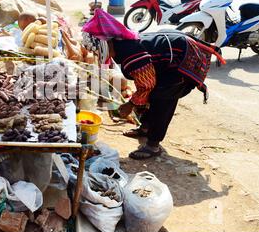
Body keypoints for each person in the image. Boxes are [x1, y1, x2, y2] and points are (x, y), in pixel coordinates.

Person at [82, 9, 225, 159]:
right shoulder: (120, 44)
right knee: (152, 95)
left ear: (104, 45)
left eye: (97, 50)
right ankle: (145, 128)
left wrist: (130, 105)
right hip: (172, 56)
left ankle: (153, 145)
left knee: (163, 98)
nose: (96, 54)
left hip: (182, 61)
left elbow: (147, 85)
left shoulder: (130, 54)